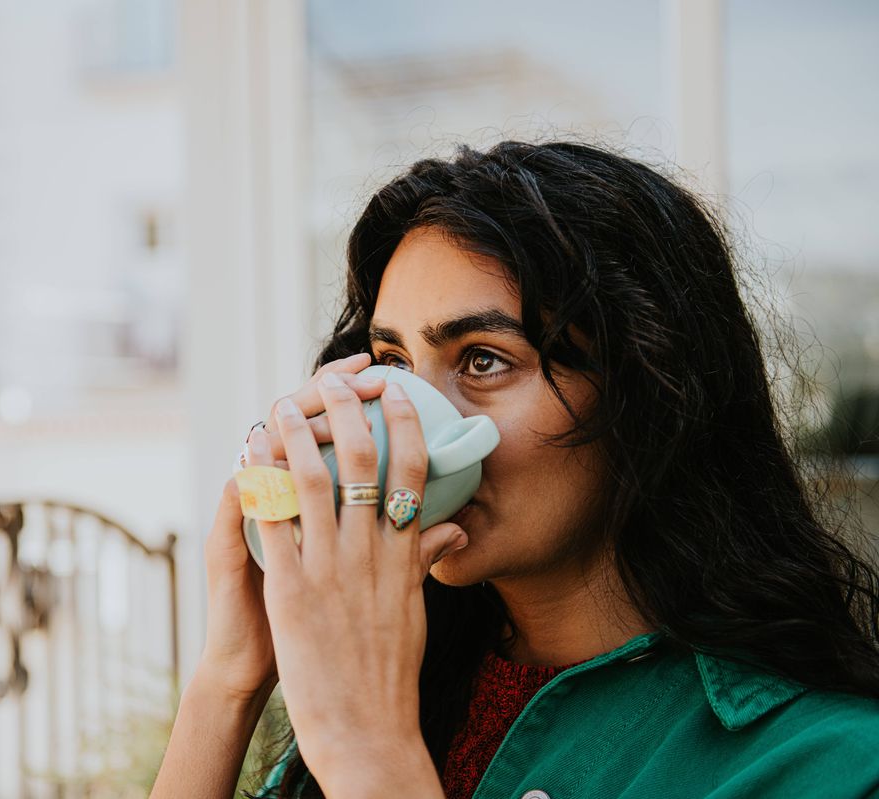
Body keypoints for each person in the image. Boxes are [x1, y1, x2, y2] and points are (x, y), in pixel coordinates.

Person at [148, 141, 879, 799]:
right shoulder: (413, 686)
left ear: (651, 396)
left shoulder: (825, 763)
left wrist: (373, 757)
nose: (406, 423)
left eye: (484, 360)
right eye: (395, 363)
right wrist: (228, 679)